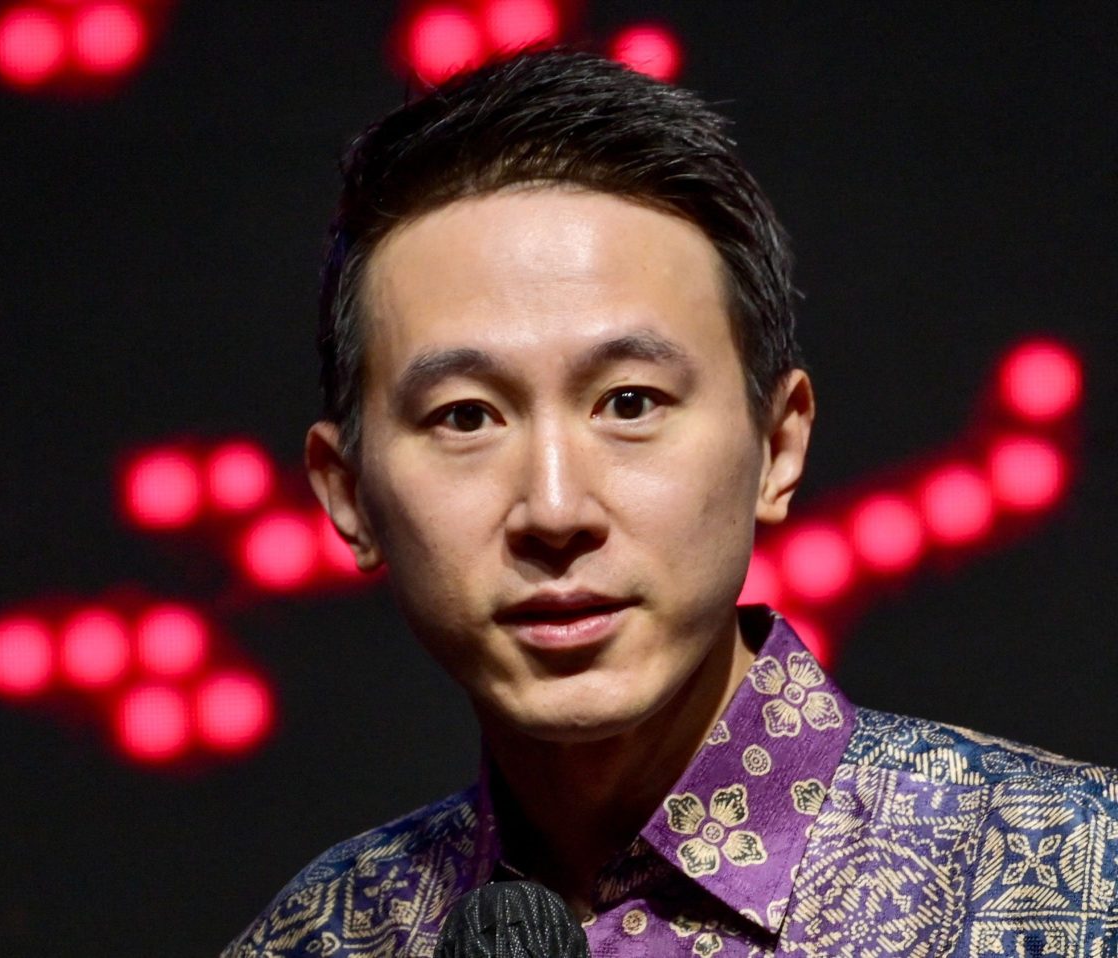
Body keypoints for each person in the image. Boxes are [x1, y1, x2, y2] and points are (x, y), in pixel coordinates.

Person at [223, 50, 1118, 957]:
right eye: (467, 417)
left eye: (630, 403)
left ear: (778, 445)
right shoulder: (320, 938)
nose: (555, 509)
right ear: (348, 495)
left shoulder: (1077, 876)